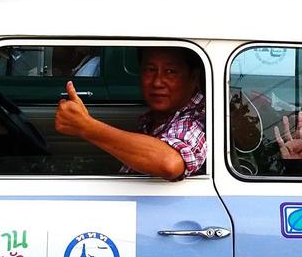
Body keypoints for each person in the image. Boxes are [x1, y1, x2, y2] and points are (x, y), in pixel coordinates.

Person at [54, 46, 205, 180]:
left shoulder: (197, 119)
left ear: (193, 77)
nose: (157, 82)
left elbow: (170, 163)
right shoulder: (154, 119)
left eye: (170, 72)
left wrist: (86, 127)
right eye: (150, 70)